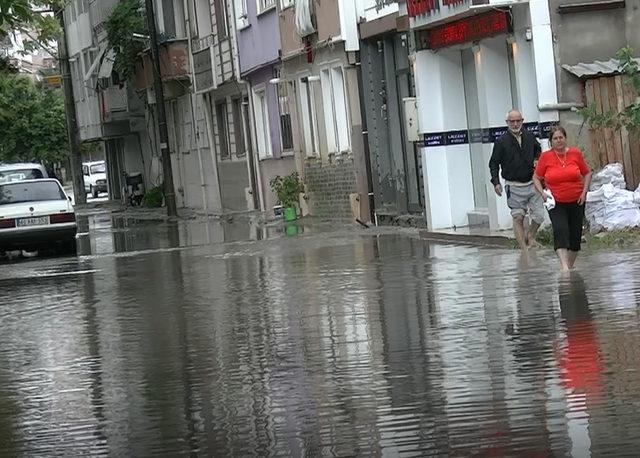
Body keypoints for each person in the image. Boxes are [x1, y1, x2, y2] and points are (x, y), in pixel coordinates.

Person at [533, 126, 592, 271]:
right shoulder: (545, 157)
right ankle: (565, 268)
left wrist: (584, 193)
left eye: (561, 137)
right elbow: (536, 177)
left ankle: (569, 266)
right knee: (561, 230)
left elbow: (587, 173)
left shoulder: (575, 154)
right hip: (556, 202)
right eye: (555, 138)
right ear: (550, 141)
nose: (558, 141)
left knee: (575, 237)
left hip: (577, 200)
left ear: (565, 139)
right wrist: (542, 193)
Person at [489, 110, 544, 251]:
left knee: (539, 216)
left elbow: (539, 152)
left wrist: (537, 161)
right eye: (512, 121)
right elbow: (493, 163)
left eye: (518, 121)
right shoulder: (501, 142)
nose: (515, 124)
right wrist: (496, 182)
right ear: (507, 122)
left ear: (522, 121)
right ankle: (524, 249)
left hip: (532, 183)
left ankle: (530, 236)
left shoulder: (530, 136)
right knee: (518, 217)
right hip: (513, 186)